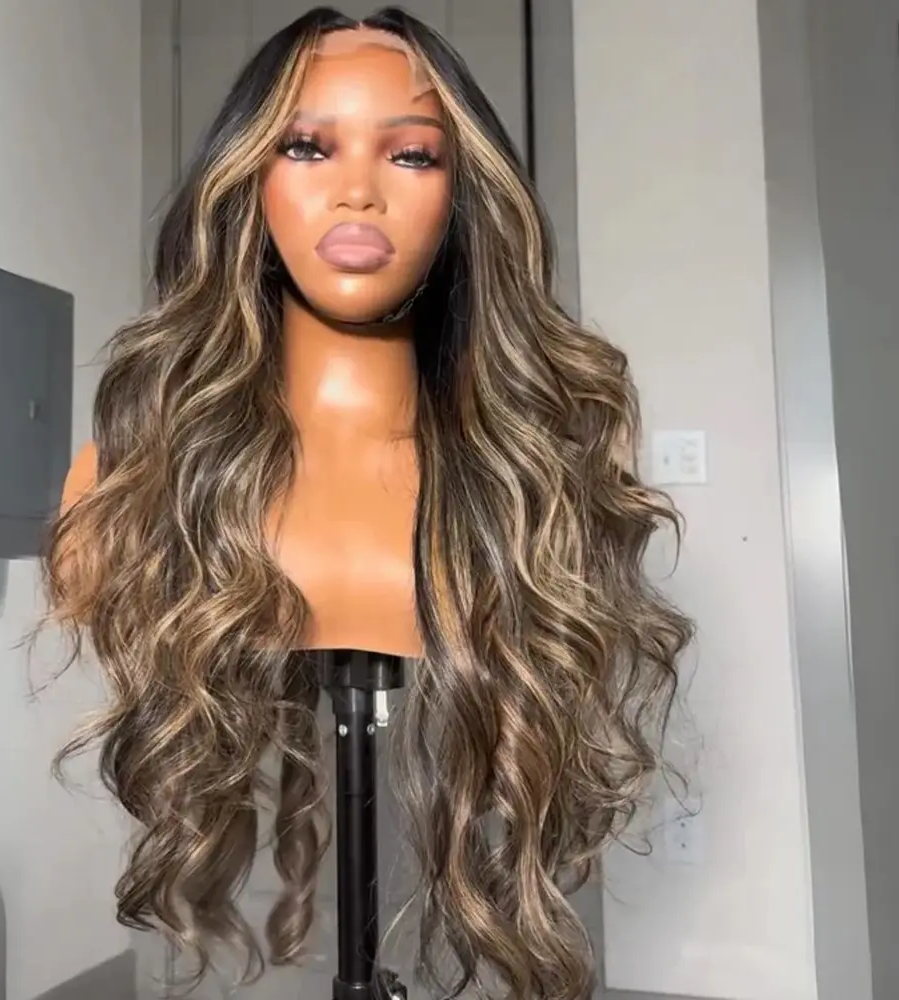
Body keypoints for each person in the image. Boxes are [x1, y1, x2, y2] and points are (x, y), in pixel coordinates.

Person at [43, 7, 693, 999]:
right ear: (248, 182)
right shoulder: (126, 484)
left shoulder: (537, 493)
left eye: (412, 155)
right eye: (307, 146)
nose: (357, 190)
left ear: (461, 197)